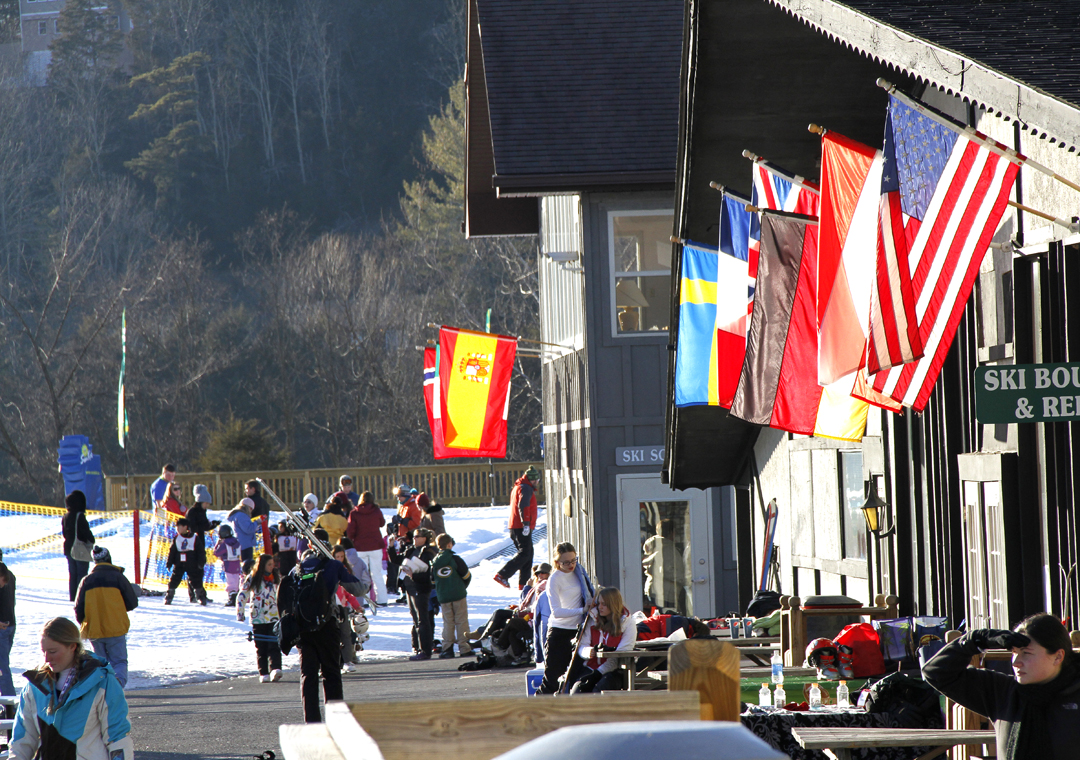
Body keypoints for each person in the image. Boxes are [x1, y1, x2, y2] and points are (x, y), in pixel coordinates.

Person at [923, 613, 1080, 759]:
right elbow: (936, 673)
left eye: (1026, 653)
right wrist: (975, 640)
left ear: (1058, 656)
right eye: (1014, 652)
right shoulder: (1003, 692)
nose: (1016, 662)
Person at [11, 617, 133, 760]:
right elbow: (21, 743)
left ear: (72, 646)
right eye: (44, 651)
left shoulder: (103, 682)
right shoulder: (34, 686)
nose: (47, 659)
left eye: (53, 651)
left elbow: (118, 738)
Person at [287, 544, 363, 723]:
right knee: (331, 673)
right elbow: (358, 589)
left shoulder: (296, 569)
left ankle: (312, 721)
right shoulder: (332, 565)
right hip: (327, 625)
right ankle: (336, 719)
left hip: (303, 627)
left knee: (308, 675)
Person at [73, 547, 138, 689]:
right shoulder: (118, 577)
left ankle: (102, 688)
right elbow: (132, 602)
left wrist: (88, 622)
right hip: (116, 627)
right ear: (109, 558)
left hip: (94, 630)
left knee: (100, 663)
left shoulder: (86, 581)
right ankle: (117, 686)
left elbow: (78, 608)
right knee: (119, 661)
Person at [537, 541, 594, 694]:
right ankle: (536, 706)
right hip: (559, 632)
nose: (571, 565)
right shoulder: (554, 579)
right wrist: (582, 610)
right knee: (552, 681)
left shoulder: (579, 572)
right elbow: (556, 612)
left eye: (573, 560)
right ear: (557, 562)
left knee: (575, 678)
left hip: (579, 631)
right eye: (566, 562)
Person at [566, 586, 636, 694]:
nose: (599, 607)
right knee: (577, 692)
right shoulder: (593, 619)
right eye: (598, 603)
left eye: (604, 604)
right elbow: (582, 645)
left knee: (599, 690)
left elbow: (620, 655)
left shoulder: (628, 623)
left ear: (613, 604)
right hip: (590, 668)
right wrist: (588, 651)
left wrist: (598, 673)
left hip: (615, 671)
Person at [237, 553, 282, 683]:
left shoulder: (276, 578)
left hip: (273, 616)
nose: (272, 567)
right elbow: (242, 595)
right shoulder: (253, 578)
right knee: (261, 646)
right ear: (262, 565)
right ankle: (263, 672)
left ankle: (276, 668)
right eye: (269, 564)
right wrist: (240, 612)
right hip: (258, 617)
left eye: (273, 564)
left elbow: (282, 594)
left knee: (274, 643)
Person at [494, 466, 540, 590]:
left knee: (528, 555)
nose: (537, 482)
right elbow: (523, 505)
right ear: (532, 480)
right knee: (525, 553)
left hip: (516, 526)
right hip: (521, 526)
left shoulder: (519, 486)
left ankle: (524, 585)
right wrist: (526, 523)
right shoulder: (526, 488)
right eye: (536, 480)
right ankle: (502, 574)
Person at [432, 534, 472, 659]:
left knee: (448, 622)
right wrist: (462, 586)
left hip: (443, 597)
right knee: (461, 621)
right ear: (449, 544)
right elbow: (466, 575)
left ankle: (447, 648)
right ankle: (464, 648)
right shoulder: (455, 559)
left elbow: (432, 581)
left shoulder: (435, 561)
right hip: (458, 594)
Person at [402, 527, 437, 660]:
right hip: (410, 588)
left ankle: (425, 650)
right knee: (416, 619)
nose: (414, 539)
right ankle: (417, 647)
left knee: (423, 620)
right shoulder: (411, 550)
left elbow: (429, 574)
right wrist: (391, 548)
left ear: (424, 538)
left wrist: (413, 575)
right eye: (414, 537)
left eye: (417, 536)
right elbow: (397, 560)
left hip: (421, 588)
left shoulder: (428, 552)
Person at [345, 491, 387, 605]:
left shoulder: (354, 513)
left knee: (362, 574)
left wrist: (351, 540)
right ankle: (382, 599)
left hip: (360, 546)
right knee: (377, 574)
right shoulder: (376, 510)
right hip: (376, 545)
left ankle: (364, 599)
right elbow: (382, 523)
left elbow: (350, 531)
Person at [642, 519, 685, 612]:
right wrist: (684, 579)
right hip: (665, 593)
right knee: (667, 618)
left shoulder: (655, 546)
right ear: (672, 532)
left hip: (653, 590)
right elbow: (666, 571)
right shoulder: (668, 549)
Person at [331, 546, 363, 672]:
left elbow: (349, 592)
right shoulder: (329, 569)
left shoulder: (345, 571)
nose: (339, 559)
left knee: (346, 634)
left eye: (341, 556)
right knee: (332, 636)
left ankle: (347, 660)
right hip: (330, 606)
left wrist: (356, 605)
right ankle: (334, 662)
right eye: (337, 557)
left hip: (343, 607)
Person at [165, 518, 208, 605]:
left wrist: (201, 562)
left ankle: (200, 597)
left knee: (196, 580)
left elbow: (201, 552)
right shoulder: (177, 538)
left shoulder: (194, 538)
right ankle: (169, 596)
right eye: (177, 527)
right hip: (179, 564)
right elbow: (172, 551)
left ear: (185, 527)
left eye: (179, 527)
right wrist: (169, 563)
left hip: (192, 563)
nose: (177, 529)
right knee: (174, 580)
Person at [61, 490, 95, 602]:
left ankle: (73, 597)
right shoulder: (79, 516)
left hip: (68, 548)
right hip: (80, 549)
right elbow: (86, 533)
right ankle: (81, 598)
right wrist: (91, 540)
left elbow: (65, 533)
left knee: (73, 574)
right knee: (82, 574)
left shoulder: (65, 516)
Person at [213, 524, 244, 606]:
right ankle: (236, 596)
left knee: (230, 583)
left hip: (228, 565)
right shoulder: (237, 541)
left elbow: (216, 553)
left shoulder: (224, 543)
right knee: (236, 582)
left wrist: (218, 544)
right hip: (237, 564)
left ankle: (232, 598)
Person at [0, 562, 16, 696]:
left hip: (4, 627)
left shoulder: (8, 575)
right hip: (9, 624)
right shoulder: (10, 575)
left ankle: (8, 701)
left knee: (2, 668)